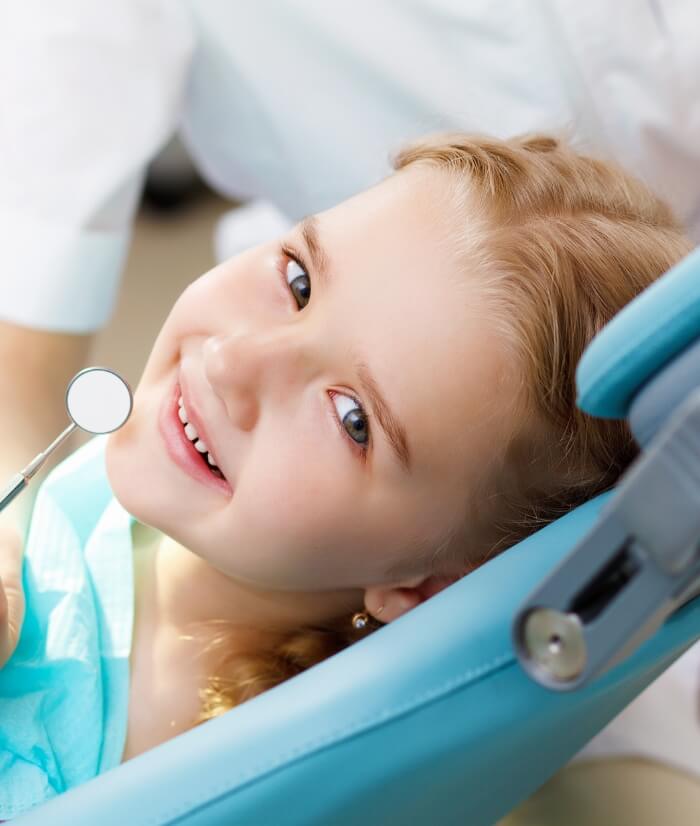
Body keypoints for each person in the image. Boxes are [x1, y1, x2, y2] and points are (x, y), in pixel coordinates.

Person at [0, 132, 694, 819]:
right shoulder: (176, 499)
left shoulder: (99, 775)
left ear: (423, 586)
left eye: (352, 419)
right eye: (298, 281)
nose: (231, 360)